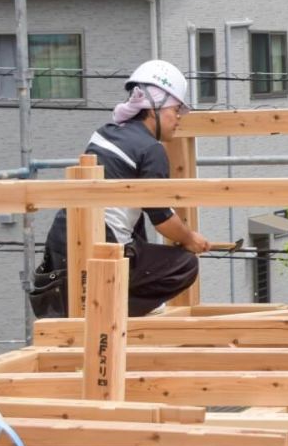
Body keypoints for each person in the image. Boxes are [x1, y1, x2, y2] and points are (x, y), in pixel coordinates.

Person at [41, 60, 211, 316]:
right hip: (104, 248)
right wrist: (190, 239)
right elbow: (162, 217)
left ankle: (108, 306)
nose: (178, 118)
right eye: (176, 109)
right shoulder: (151, 150)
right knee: (185, 265)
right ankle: (114, 309)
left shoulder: (104, 133)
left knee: (135, 227)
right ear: (154, 107)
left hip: (61, 238)